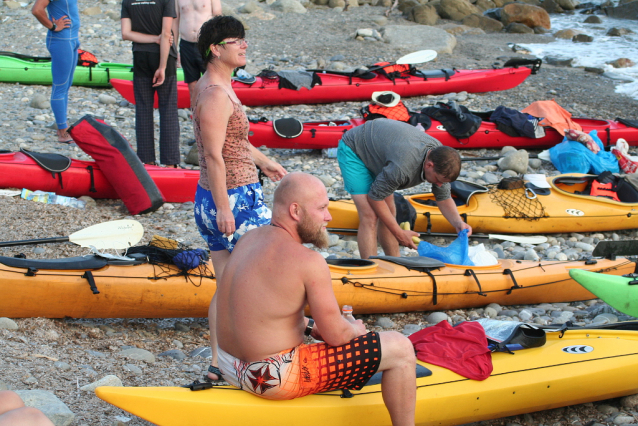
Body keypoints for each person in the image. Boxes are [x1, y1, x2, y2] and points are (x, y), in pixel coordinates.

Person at [215, 172, 416, 426]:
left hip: (229, 366)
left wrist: (310, 326)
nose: (328, 217)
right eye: (322, 208)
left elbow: (265, 312)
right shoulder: (309, 261)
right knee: (400, 347)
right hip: (272, 377)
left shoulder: (248, 240)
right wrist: (355, 329)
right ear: (295, 211)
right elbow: (338, 336)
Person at [192, 16, 287, 381]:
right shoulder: (216, 94)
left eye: (244, 39)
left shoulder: (210, 86)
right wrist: (223, 208)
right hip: (233, 198)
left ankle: (219, 364)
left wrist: (265, 161)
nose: (244, 45)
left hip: (220, 195)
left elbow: (233, 141)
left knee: (228, 283)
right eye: (236, 41)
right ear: (216, 50)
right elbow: (214, 155)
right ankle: (267, 351)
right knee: (276, 269)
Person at [337, 118, 472, 259]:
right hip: (354, 149)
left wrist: (458, 222)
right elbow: (375, 197)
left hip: (381, 151)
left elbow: (444, 197)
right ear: (429, 165)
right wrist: (399, 234)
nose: (439, 185)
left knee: (390, 212)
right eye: (438, 180)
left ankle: (395, 261)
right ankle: (371, 271)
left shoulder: (441, 159)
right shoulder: (403, 168)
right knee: (370, 215)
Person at [121, 0, 181, 167]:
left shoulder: (128, 1)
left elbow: (126, 33)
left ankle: (147, 161)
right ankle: (170, 164)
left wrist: (153, 39)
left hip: (140, 57)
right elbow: (166, 33)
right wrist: (162, 66)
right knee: (168, 109)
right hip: (163, 57)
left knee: (143, 110)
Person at [31, 0, 80, 144]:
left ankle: (63, 125)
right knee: (60, 86)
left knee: (67, 85)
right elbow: (36, 10)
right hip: (61, 40)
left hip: (72, 39)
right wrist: (52, 26)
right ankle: (62, 132)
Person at [174, 0, 222, 105]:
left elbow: (218, 17)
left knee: (211, 83)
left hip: (206, 44)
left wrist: (217, 45)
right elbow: (175, 22)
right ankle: (196, 116)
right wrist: (174, 49)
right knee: (192, 85)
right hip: (186, 44)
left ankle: (213, 114)